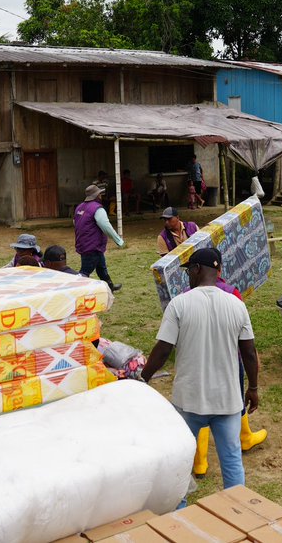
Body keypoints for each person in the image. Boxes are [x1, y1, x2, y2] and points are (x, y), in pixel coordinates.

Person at [141, 248, 260, 497]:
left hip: (189, 401)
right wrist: (253, 388)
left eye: (189, 272)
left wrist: (142, 378)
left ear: (196, 270)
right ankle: (238, 509)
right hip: (227, 401)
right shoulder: (237, 305)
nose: (188, 277)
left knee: (181, 462)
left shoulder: (179, 305)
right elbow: (249, 353)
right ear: (217, 272)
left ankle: (180, 508)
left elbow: (163, 350)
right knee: (232, 460)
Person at [74, 184, 124, 292]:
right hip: (92, 245)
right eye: (100, 194)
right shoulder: (97, 209)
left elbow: (75, 223)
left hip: (83, 243)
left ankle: (110, 287)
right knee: (85, 271)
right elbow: (106, 227)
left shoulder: (79, 207)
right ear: (97, 196)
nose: (101, 196)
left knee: (101, 268)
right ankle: (76, 291)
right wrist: (118, 240)